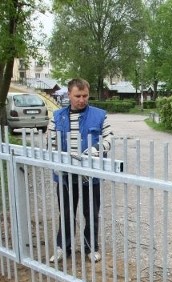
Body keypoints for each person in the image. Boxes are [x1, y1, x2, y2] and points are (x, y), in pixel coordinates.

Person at [48, 78, 113, 263]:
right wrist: (57, 158)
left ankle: (91, 248)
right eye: (77, 96)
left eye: (85, 96)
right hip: (65, 176)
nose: (82, 100)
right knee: (66, 213)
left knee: (90, 213)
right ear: (69, 94)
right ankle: (63, 248)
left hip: (89, 176)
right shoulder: (57, 116)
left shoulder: (100, 115)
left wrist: (94, 150)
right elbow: (51, 141)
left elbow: (108, 138)